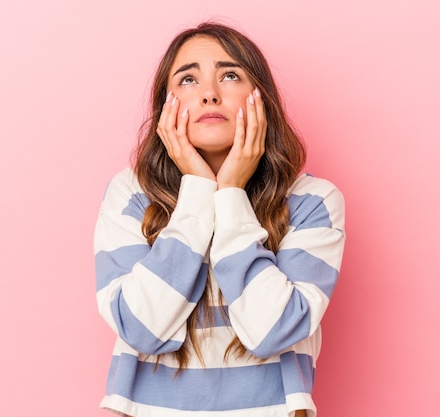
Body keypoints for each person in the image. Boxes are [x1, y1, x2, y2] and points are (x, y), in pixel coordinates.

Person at [94, 21, 345, 417]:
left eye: (230, 75)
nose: (210, 94)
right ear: (165, 105)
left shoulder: (313, 201)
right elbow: (141, 328)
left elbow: (272, 331)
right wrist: (197, 190)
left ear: (260, 97)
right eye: (188, 79)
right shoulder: (129, 195)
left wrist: (230, 194)